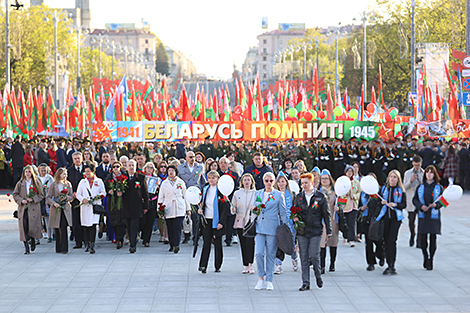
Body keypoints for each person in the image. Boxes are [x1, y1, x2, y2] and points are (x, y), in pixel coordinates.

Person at [294, 173, 331, 291]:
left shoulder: (320, 196)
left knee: (314, 255)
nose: (303, 185)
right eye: (302, 183)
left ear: (312, 182)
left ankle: (318, 275)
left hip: (315, 230)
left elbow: (326, 214)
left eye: (306, 183)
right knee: (303, 257)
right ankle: (306, 282)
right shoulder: (299, 197)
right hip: (302, 231)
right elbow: (295, 212)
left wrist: (329, 231)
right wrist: (294, 218)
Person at [253, 172, 288, 291]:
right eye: (266, 180)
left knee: (270, 255)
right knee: (258, 253)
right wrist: (255, 211)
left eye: (271, 181)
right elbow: (254, 209)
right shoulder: (258, 193)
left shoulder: (278, 195)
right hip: (259, 227)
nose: (268, 183)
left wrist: (286, 228)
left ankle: (269, 279)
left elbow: (283, 212)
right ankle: (260, 278)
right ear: (263, 181)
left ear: (274, 182)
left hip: (272, 227)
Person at [198, 171, 230, 273]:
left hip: (217, 220)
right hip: (207, 219)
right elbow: (203, 202)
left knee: (217, 243)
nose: (211, 180)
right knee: (206, 242)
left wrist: (221, 222)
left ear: (217, 179)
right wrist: (200, 209)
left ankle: (217, 265)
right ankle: (203, 265)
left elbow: (225, 208)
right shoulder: (205, 189)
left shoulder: (221, 190)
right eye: (209, 178)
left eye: (213, 178)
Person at [412, 165, 444, 271]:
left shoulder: (439, 187)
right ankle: (425, 256)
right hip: (423, 215)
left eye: (431, 172)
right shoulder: (420, 187)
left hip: (433, 216)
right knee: (423, 239)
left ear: (434, 175)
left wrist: (436, 205)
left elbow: (444, 201)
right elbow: (415, 200)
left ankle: (431, 258)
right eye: (427, 172)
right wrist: (421, 206)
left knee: (433, 238)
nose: (429, 174)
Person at [378, 170, 407, 275]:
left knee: (392, 241)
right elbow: (377, 202)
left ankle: (392, 265)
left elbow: (404, 204)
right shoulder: (384, 189)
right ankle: (387, 262)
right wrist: (381, 203)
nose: (392, 179)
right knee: (385, 240)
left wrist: (395, 204)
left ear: (398, 179)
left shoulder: (400, 191)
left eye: (395, 177)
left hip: (395, 219)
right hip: (385, 218)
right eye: (391, 177)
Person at [12, 165, 45, 254]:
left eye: (29, 172)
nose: (28, 174)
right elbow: (15, 194)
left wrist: (33, 199)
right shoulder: (20, 183)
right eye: (26, 172)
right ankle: (26, 246)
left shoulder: (36, 182)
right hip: (23, 208)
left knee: (32, 226)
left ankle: (33, 239)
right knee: (24, 226)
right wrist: (21, 200)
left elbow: (41, 195)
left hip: (33, 207)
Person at [76, 163, 106, 254]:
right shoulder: (82, 182)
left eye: (89, 171)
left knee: (93, 225)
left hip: (94, 206)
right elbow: (78, 194)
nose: (87, 173)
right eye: (86, 172)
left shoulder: (99, 181)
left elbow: (103, 192)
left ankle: (92, 244)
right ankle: (87, 243)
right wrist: (82, 199)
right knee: (86, 226)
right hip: (85, 207)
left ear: (93, 171)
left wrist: (98, 197)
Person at [273, 172, 299, 274]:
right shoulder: (274, 194)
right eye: (279, 182)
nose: (281, 183)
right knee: (278, 244)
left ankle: (294, 259)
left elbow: (295, 207)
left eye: (283, 181)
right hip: (278, 223)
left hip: (290, 223)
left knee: (291, 244)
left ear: (286, 183)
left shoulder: (292, 194)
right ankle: (278, 265)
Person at [359, 173, 385, 271]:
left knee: (378, 239)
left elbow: (381, 204)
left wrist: (374, 201)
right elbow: (359, 204)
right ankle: (370, 262)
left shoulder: (379, 192)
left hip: (376, 218)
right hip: (366, 218)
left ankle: (381, 254)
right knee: (368, 241)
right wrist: (361, 208)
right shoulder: (363, 193)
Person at [122, 159, 149, 253]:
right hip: (126, 206)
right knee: (128, 226)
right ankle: (132, 240)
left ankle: (132, 245)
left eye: (133, 165)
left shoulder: (140, 177)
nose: (131, 167)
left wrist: (146, 206)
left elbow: (145, 193)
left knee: (134, 225)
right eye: (129, 165)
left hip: (137, 206)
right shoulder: (123, 177)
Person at [232, 173, 256, 274]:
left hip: (251, 221)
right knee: (243, 243)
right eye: (245, 180)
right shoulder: (237, 193)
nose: (246, 182)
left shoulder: (256, 193)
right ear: (242, 182)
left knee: (250, 243)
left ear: (251, 182)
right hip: (240, 220)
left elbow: (259, 205)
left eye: (248, 180)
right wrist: (233, 209)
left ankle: (250, 264)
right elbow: (233, 206)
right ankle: (245, 265)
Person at [46, 168, 74, 254]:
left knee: (64, 227)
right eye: (63, 174)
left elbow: (71, 196)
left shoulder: (68, 184)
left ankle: (65, 247)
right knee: (57, 227)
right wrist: (54, 203)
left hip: (65, 208)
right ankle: (58, 247)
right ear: (59, 174)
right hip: (56, 208)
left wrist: (66, 198)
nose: (65, 176)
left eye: (66, 174)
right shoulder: (53, 184)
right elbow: (48, 197)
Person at [318, 169, 339, 273]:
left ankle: (332, 263)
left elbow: (343, 203)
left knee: (333, 241)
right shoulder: (318, 192)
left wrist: (338, 207)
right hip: (321, 219)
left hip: (333, 218)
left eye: (326, 178)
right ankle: (322, 265)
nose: (324, 180)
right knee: (322, 242)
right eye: (322, 178)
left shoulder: (336, 192)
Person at [403, 156, 424, 247]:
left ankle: (419, 239)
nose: (416, 167)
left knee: (421, 221)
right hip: (411, 199)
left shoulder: (424, 172)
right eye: (415, 165)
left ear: (421, 164)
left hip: (420, 199)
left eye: (418, 165)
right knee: (411, 220)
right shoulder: (407, 173)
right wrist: (410, 180)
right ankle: (412, 235)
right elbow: (404, 187)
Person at [338, 165, 362, 247]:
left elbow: (359, 192)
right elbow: (339, 193)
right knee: (345, 223)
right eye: (348, 171)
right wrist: (345, 194)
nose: (350, 173)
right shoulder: (342, 181)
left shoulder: (356, 182)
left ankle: (351, 239)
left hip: (354, 205)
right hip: (345, 205)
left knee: (352, 223)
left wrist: (354, 196)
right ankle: (345, 236)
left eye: (351, 171)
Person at [105, 161, 127, 249]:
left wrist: (123, 191)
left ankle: (120, 239)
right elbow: (105, 187)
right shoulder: (109, 177)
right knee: (114, 220)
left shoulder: (124, 176)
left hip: (122, 202)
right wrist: (109, 191)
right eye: (114, 167)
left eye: (117, 166)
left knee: (122, 220)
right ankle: (117, 238)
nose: (116, 168)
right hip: (113, 202)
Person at [68, 152, 85, 249]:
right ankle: (78, 241)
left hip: (85, 199)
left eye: (78, 158)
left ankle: (86, 240)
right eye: (75, 159)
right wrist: (72, 193)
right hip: (74, 199)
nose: (77, 160)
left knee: (85, 220)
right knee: (76, 221)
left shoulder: (87, 169)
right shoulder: (70, 170)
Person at [140, 162, 159, 247]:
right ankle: (143, 234)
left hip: (152, 201)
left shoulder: (156, 179)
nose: (149, 169)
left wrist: (157, 187)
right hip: (143, 202)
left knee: (150, 221)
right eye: (148, 167)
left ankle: (147, 240)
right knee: (143, 221)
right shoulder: (141, 177)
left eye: (151, 168)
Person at [37, 164, 54, 242]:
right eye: (42, 171)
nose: (43, 172)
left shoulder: (50, 178)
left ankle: (51, 234)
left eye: (44, 171)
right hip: (39, 199)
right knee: (39, 218)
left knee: (49, 217)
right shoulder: (37, 178)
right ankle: (39, 235)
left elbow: (53, 187)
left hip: (47, 199)